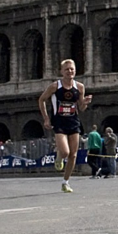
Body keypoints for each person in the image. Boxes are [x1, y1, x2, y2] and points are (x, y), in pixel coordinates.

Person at [37, 59, 93, 193]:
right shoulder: (55, 86)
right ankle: (59, 156)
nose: (70, 71)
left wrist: (85, 102)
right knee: (65, 152)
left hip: (73, 121)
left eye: (72, 69)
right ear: (62, 72)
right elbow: (41, 100)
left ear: (75, 70)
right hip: (59, 122)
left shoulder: (79, 87)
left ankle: (65, 182)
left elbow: (81, 107)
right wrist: (46, 118)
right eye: (67, 69)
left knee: (73, 155)